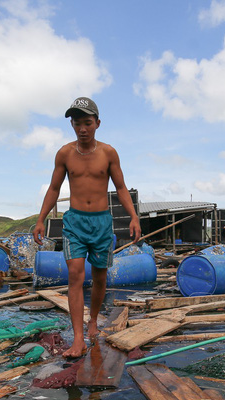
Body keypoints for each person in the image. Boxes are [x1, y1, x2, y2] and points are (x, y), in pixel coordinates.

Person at [33, 97, 141, 358]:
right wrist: (40, 218)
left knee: (101, 276)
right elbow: (54, 188)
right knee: (76, 275)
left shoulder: (108, 153)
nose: (82, 128)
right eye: (77, 123)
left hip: (102, 223)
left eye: (87, 123)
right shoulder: (65, 154)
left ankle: (93, 319)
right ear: (72, 124)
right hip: (75, 223)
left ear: (97, 123)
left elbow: (121, 188)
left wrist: (134, 217)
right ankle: (78, 338)